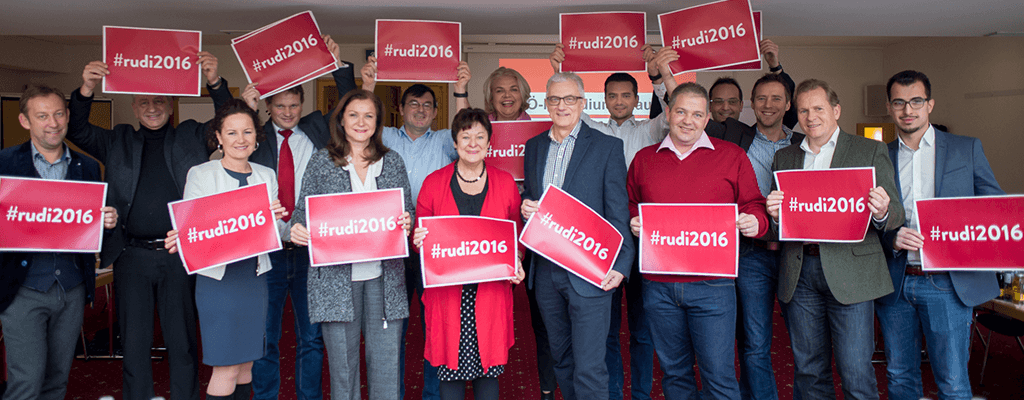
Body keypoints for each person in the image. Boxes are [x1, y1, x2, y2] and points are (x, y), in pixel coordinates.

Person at [70, 53, 231, 400]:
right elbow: (77, 130)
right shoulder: (117, 140)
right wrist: (86, 88)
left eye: (159, 101)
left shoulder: (191, 135)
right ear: (133, 106)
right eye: (144, 102)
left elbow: (228, 120)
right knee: (135, 342)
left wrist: (214, 82)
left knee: (182, 341)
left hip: (179, 255)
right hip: (131, 256)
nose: (152, 108)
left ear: (171, 105)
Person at [548, 43, 676, 400]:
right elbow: (567, 110)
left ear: (636, 98)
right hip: (600, 236)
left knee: (641, 327)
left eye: (626, 95)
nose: (619, 101)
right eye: (612, 95)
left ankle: (641, 394)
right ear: (602, 99)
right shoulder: (593, 129)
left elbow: (674, 113)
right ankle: (614, 392)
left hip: (641, 233)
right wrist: (557, 70)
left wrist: (661, 77)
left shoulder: (650, 130)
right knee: (604, 328)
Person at [626, 82, 768, 400]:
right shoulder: (644, 159)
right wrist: (633, 220)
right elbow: (631, 204)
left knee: (719, 377)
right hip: (659, 285)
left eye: (697, 114)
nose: (688, 121)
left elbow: (754, 205)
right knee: (675, 375)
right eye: (681, 112)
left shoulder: (732, 156)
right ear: (667, 113)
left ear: (706, 119)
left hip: (713, 285)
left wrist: (754, 221)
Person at [765, 79, 903, 400]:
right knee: (809, 371)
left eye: (818, 108)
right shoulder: (784, 158)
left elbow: (896, 213)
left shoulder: (869, 149)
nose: (810, 117)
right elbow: (777, 227)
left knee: (855, 372)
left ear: (836, 110)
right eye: (803, 110)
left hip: (851, 272)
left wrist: (883, 211)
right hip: (800, 273)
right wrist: (775, 216)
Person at [875, 70, 1003, 400]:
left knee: (952, 381)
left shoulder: (965, 148)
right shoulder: (879, 156)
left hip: (946, 282)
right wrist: (891, 236)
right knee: (899, 376)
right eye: (899, 102)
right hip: (896, 281)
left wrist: (959, 228)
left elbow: (994, 206)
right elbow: (867, 221)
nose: (908, 110)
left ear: (929, 104)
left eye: (916, 101)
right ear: (889, 108)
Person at [245, 34, 356, 400]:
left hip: (312, 249)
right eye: (280, 106)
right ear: (268, 106)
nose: (288, 112)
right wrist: (241, 105)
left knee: (311, 337)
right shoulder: (254, 138)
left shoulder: (318, 128)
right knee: (266, 335)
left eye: (294, 105)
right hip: (269, 249)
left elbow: (349, 106)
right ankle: (266, 396)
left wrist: (339, 66)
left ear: (302, 104)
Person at [288, 89, 414, 400]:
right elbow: (301, 214)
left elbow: (406, 210)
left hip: (385, 278)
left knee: (386, 365)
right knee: (343, 370)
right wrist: (296, 230)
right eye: (354, 115)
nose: (361, 122)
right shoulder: (322, 162)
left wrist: (407, 220)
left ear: (378, 122)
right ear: (341, 120)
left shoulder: (392, 162)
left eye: (369, 116)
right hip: (335, 282)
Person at [359, 55, 470, 400]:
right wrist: (368, 86)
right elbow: (362, 123)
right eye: (414, 104)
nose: (420, 110)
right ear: (401, 108)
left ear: (435, 112)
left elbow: (466, 131)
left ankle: (432, 395)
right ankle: (391, 393)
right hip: (390, 245)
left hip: (434, 246)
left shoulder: (444, 141)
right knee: (392, 327)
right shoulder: (385, 138)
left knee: (435, 326)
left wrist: (460, 91)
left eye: (427, 105)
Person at [163, 99, 288, 400]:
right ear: (218, 137)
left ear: (257, 137)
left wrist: (281, 221)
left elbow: (274, 234)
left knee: (246, 366)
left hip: (254, 278)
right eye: (231, 133)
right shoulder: (201, 174)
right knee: (226, 368)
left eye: (247, 132)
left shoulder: (266, 175)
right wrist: (182, 237)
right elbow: (193, 231)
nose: (240, 139)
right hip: (219, 281)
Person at [520, 72, 634, 400]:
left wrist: (622, 264)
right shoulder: (534, 147)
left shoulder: (607, 147)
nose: (562, 106)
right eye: (555, 99)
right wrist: (526, 205)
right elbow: (532, 196)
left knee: (590, 367)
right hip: (546, 272)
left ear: (582, 103)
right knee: (562, 360)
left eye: (570, 99)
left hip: (590, 269)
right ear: (546, 103)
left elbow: (618, 211)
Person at [0, 85, 118, 400]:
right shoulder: (4, 164)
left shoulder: (88, 166)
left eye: (58, 114)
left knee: (57, 381)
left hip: (72, 288)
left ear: (67, 116)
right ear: (25, 121)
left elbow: (89, 229)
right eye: (42, 116)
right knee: (26, 381)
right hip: (22, 289)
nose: (52, 123)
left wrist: (106, 222)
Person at [411, 108, 527, 400]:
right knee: (450, 371)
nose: (473, 143)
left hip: (490, 292)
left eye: (480, 136)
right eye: (465, 137)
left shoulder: (505, 184)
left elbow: (516, 238)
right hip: (448, 295)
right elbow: (419, 240)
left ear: (489, 142)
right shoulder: (433, 183)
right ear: (454, 142)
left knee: (488, 372)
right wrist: (418, 239)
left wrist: (517, 259)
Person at [708, 40, 798, 130]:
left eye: (732, 101)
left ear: (741, 106)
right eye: (718, 101)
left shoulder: (753, 136)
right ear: (709, 106)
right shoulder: (700, 133)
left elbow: (788, 112)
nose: (725, 107)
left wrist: (775, 67)